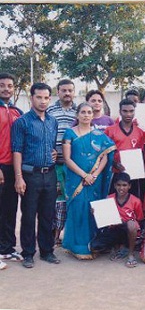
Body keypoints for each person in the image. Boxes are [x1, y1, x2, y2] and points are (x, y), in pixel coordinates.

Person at [12, 82, 59, 268]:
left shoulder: (52, 121)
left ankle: (47, 251)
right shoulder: (22, 122)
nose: (43, 101)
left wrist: (54, 154)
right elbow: (17, 150)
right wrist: (18, 177)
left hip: (50, 174)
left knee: (48, 215)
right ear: (31, 97)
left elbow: (52, 146)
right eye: (39, 97)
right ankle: (28, 252)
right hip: (30, 175)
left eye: (46, 97)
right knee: (29, 215)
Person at [62, 102, 116, 260]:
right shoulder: (69, 133)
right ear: (77, 114)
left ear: (93, 115)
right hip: (76, 179)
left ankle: (93, 244)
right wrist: (84, 175)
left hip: (94, 181)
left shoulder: (99, 135)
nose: (86, 115)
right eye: (83, 112)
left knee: (92, 211)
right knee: (77, 209)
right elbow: (67, 159)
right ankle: (77, 246)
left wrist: (95, 174)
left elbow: (106, 155)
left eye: (89, 112)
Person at [46, 79, 77, 247]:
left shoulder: (79, 111)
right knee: (54, 200)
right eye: (63, 90)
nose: (67, 93)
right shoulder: (50, 110)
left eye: (70, 90)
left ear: (74, 92)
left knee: (71, 198)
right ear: (58, 92)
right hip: (54, 164)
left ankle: (69, 235)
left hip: (73, 165)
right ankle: (52, 235)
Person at [90, 172, 144, 268]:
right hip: (114, 229)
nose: (121, 188)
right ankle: (119, 247)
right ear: (114, 185)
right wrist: (96, 212)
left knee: (131, 224)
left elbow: (139, 218)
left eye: (124, 185)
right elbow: (104, 218)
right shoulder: (109, 198)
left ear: (129, 186)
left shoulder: (136, 201)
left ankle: (130, 254)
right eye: (118, 185)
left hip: (128, 231)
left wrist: (127, 223)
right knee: (94, 247)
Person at [0, 73, 23, 269]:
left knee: (10, 208)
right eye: (2, 85)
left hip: (12, 167)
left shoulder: (17, 111)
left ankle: (6, 248)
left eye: (9, 85)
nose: (6, 88)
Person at [105, 99, 145, 199]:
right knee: (113, 200)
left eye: (131, 111)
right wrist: (115, 163)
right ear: (120, 112)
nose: (128, 114)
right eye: (125, 111)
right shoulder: (110, 131)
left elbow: (142, 153)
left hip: (134, 174)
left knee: (134, 199)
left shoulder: (140, 132)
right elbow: (104, 153)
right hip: (116, 172)